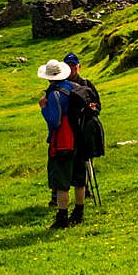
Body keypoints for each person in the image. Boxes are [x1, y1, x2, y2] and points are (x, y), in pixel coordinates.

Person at [48, 52, 101, 209]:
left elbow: (97, 105)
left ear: (79, 66)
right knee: (77, 167)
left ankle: (78, 196)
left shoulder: (83, 84)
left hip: (68, 135)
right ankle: (75, 206)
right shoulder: (72, 87)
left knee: (64, 170)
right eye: (68, 65)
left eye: (74, 65)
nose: (72, 68)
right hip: (78, 134)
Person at [39, 59, 84, 229]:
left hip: (63, 141)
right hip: (79, 136)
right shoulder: (73, 87)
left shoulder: (54, 94)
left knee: (61, 181)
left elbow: (55, 121)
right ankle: (79, 213)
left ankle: (62, 218)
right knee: (79, 178)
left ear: (49, 77)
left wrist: (44, 108)